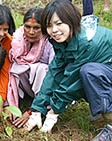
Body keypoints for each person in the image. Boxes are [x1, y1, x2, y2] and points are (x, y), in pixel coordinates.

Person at [23, 0, 112, 139]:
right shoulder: (63, 39)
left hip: (106, 68)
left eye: (59, 24)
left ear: (71, 21)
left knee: (87, 72)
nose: (54, 30)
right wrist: (36, 109)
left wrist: (53, 113)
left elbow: (71, 82)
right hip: (105, 69)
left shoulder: (86, 42)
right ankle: (100, 110)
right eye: (49, 26)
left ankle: (111, 124)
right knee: (79, 70)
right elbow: (54, 72)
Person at [6, 7, 55, 128]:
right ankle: (12, 102)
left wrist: (31, 111)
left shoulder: (51, 42)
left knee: (41, 69)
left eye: (36, 28)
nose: (31, 32)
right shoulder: (18, 38)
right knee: (16, 66)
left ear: (43, 28)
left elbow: (53, 75)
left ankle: (41, 106)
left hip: (49, 88)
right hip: (30, 86)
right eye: (27, 27)